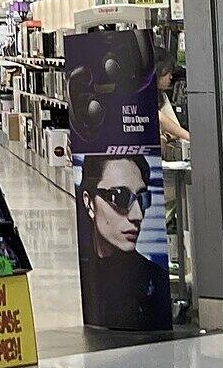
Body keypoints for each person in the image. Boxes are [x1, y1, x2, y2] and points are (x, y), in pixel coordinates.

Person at [78, 152, 170, 330]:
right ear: (89, 203)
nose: (138, 215)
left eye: (143, 199)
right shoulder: (85, 279)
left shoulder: (157, 283)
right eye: (119, 197)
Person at [155, 61, 192, 159]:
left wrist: (164, 137)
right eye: (168, 73)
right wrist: (190, 138)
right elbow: (159, 118)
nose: (170, 77)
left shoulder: (162, 96)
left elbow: (175, 129)